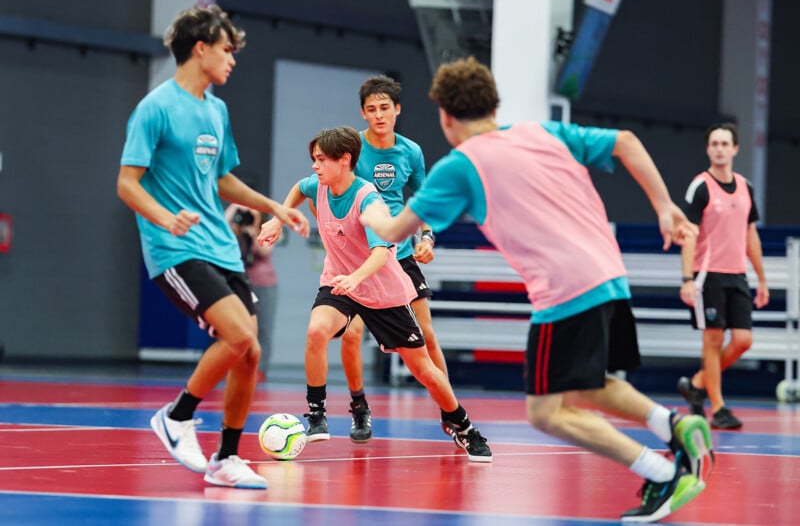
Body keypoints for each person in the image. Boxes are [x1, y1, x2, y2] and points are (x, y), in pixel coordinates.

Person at [360, 56, 714, 522]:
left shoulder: (459, 167)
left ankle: (662, 473)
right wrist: (665, 207)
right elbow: (626, 142)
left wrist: (365, 208)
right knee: (585, 385)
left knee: (545, 412)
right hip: (610, 274)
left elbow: (395, 226)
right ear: (494, 104)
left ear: (446, 117)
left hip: (566, 288)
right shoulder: (541, 132)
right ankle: (673, 424)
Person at [117, 5, 309, 489]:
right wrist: (164, 218)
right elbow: (127, 183)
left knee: (250, 353)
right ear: (200, 49)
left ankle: (225, 458)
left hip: (222, 249)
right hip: (175, 249)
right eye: (227, 49)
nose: (233, 59)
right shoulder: (155, 107)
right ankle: (177, 416)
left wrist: (275, 207)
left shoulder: (216, 110)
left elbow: (221, 179)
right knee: (239, 335)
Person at [257, 126, 492, 462]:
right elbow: (298, 188)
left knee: (423, 368)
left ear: (345, 160)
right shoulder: (320, 185)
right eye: (314, 159)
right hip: (341, 281)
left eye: (321, 159)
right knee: (316, 331)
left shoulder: (368, 200)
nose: (314, 166)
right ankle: (317, 414)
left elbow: (382, 253)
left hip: (381, 289)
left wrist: (356, 278)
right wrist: (278, 219)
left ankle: (464, 426)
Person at [337, 75, 447, 443]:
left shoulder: (411, 152)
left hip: (399, 255)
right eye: (372, 109)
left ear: (397, 109)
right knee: (351, 335)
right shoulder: (351, 148)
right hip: (360, 257)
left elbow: (424, 201)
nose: (379, 115)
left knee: (427, 334)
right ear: (363, 113)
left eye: (385, 107)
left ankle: (451, 412)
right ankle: (359, 408)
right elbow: (329, 189)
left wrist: (427, 236)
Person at [677, 123, 769, 430]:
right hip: (708, 275)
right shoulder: (700, 186)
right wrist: (687, 278)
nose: (719, 148)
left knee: (743, 340)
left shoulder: (746, 187)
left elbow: (750, 233)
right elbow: (689, 234)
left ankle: (698, 382)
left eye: (724, 143)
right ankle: (718, 408)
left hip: (737, 274)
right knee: (713, 340)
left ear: (734, 149)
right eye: (713, 143)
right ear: (708, 149)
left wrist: (762, 278)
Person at [225, 202, 279, 383]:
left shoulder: (267, 229)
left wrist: (253, 230)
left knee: (263, 328)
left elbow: (265, 251)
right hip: (239, 283)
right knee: (237, 327)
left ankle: (259, 370)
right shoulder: (235, 230)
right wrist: (234, 208)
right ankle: (236, 366)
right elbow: (222, 231)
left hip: (264, 284)